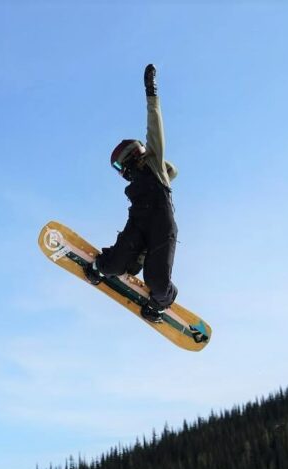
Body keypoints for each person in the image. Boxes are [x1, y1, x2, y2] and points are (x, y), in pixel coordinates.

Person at [83, 63, 180, 324]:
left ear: (129, 159)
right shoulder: (135, 184)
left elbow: (154, 126)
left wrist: (152, 92)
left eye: (120, 167)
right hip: (139, 225)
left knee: (158, 283)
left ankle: (160, 303)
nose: (121, 173)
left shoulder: (154, 166)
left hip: (161, 228)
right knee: (112, 266)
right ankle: (104, 266)